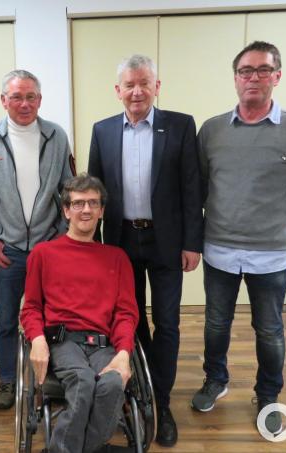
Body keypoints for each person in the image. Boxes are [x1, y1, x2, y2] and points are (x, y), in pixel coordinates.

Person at [190, 41, 286, 437]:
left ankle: (268, 395)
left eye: (263, 70)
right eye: (246, 71)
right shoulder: (212, 130)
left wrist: (274, 217)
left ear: (277, 77)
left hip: (271, 256)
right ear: (235, 79)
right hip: (220, 250)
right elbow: (199, 184)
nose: (253, 78)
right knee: (216, 324)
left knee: (269, 329)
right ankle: (216, 379)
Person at [87, 54, 203, 447]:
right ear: (117, 91)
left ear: (157, 86)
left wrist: (192, 243)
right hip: (121, 242)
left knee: (167, 323)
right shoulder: (102, 131)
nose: (137, 91)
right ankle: (140, 389)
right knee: (131, 321)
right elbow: (95, 195)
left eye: (144, 83)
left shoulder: (181, 126)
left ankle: (163, 402)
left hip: (167, 241)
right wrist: (94, 248)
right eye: (129, 85)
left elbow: (192, 189)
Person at [0, 69, 75, 410]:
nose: (24, 103)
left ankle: (50, 379)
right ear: (3, 100)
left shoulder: (56, 136)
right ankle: (7, 380)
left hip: (48, 249)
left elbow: (68, 190)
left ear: (40, 100)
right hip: (8, 251)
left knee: (51, 319)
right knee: (6, 320)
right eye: (16, 96)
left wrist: (61, 238)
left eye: (31, 96)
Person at [20, 173, 139, 453]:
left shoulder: (117, 258)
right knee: (83, 382)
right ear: (66, 210)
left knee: (112, 384)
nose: (86, 209)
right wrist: (37, 339)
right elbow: (32, 308)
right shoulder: (43, 254)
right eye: (78, 203)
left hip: (103, 344)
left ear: (101, 211)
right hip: (64, 342)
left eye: (93, 203)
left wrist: (123, 354)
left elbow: (125, 313)